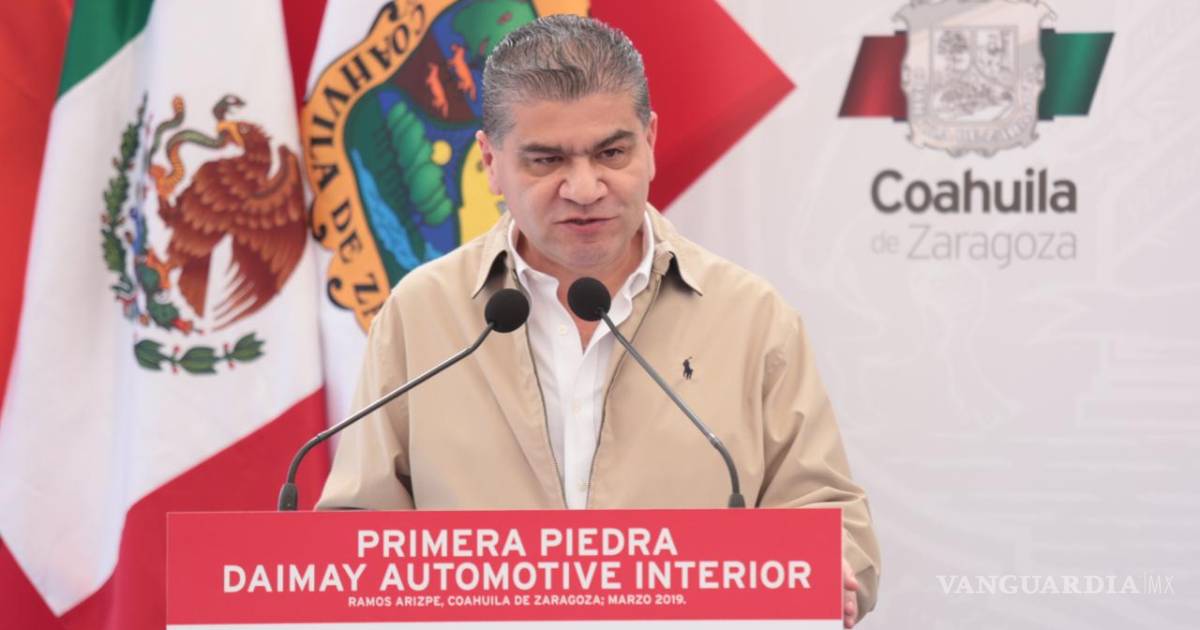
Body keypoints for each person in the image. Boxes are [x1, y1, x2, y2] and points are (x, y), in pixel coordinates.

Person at [318, 15, 880, 627]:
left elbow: (827, 516)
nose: (585, 188)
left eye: (612, 153)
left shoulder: (750, 316)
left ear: (650, 141)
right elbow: (356, 534)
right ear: (490, 162)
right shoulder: (422, 311)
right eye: (546, 160)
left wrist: (829, 568)